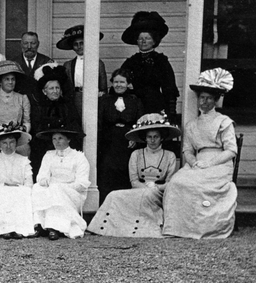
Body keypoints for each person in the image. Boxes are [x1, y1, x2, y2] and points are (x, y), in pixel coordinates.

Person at [163, 68, 238, 239]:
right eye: (201, 98)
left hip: (219, 164)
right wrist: (193, 161)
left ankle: (202, 228)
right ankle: (179, 228)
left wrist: (209, 163)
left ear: (215, 100)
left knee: (198, 185)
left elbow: (231, 150)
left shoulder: (223, 122)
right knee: (176, 182)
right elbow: (187, 149)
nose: (204, 102)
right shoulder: (191, 124)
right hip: (197, 163)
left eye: (208, 98)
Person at [87, 113, 179, 238]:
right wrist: (145, 187)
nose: (152, 140)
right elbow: (134, 180)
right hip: (138, 189)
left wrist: (156, 188)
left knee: (148, 194)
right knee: (114, 194)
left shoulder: (170, 156)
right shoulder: (136, 154)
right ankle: (102, 227)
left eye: (156, 137)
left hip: (158, 192)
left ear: (161, 138)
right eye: (149, 137)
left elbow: (170, 183)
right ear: (144, 138)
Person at [32, 125, 90, 240]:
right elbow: (41, 176)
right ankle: (39, 225)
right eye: (54, 139)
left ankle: (55, 228)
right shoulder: (49, 155)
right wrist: (45, 181)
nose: (57, 142)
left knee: (56, 190)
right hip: (52, 188)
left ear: (68, 139)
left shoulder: (79, 157)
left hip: (72, 192)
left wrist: (62, 187)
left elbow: (82, 183)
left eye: (60, 138)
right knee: (36, 187)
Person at [97, 68, 144, 202]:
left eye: (122, 82)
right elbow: (100, 122)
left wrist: (135, 138)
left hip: (128, 141)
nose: (118, 85)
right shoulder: (105, 100)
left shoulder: (135, 100)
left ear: (128, 84)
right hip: (109, 142)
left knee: (125, 172)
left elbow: (140, 122)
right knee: (108, 172)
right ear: (112, 83)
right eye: (116, 82)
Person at [120, 11, 179, 117]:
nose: (143, 41)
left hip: (154, 105)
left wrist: (171, 114)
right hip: (134, 107)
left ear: (154, 41)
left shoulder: (161, 61)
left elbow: (169, 89)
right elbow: (120, 82)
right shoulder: (131, 62)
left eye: (147, 38)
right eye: (140, 39)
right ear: (136, 41)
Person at [0, 124, 34, 239]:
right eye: (4, 143)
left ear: (16, 143)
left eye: (12, 142)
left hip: (18, 190)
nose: (8, 146)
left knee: (21, 193)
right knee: (1, 193)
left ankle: (18, 228)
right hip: (0, 190)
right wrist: (1, 186)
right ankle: (3, 228)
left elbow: (29, 184)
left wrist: (18, 187)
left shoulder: (23, 161)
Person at [28, 63, 81, 177]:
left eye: (57, 88)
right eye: (51, 88)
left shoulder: (67, 106)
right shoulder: (39, 107)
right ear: (44, 91)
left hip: (65, 145)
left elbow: (74, 125)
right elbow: (37, 128)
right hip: (45, 145)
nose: (55, 91)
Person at [57, 25, 108, 117]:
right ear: (72, 47)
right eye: (76, 44)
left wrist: (101, 95)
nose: (79, 46)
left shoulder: (97, 63)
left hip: (92, 97)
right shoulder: (68, 65)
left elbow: (103, 86)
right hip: (75, 97)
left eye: (82, 43)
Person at [0, 60, 31, 156]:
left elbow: (27, 121)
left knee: (24, 150)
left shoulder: (22, 98)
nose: (11, 82)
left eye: (13, 79)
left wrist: (22, 132)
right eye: (7, 79)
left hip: (17, 138)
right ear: (0, 81)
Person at [11, 31, 53, 96]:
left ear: (38, 44)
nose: (29, 47)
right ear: (21, 44)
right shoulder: (13, 63)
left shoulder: (46, 62)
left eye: (33, 43)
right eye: (26, 43)